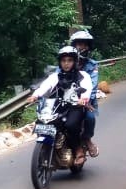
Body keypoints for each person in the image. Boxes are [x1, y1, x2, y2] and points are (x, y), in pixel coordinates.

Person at [27, 45, 93, 166]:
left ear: (75, 61)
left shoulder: (82, 75)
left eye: (69, 60)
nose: (66, 64)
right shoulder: (55, 76)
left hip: (75, 106)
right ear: (60, 62)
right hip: (57, 106)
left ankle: (78, 150)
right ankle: (48, 147)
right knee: (42, 121)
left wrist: (83, 98)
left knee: (70, 125)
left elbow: (87, 87)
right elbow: (45, 87)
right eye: (63, 61)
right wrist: (35, 96)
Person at [69, 29, 100, 157]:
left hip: (86, 101)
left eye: (84, 44)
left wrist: (86, 100)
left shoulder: (92, 65)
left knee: (89, 117)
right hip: (66, 99)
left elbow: (92, 86)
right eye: (78, 44)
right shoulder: (66, 61)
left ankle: (87, 139)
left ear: (88, 46)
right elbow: (55, 79)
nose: (81, 47)